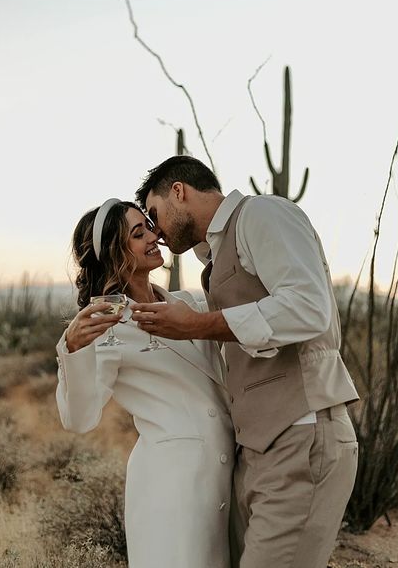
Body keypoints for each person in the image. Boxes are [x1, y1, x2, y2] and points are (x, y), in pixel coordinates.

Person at [132, 156, 360, 568]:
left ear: (179, 191)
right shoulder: (214, 262)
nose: (155, 232)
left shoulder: (262, 214)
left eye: (154, 213)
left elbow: (309, 308)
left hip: (302, 435)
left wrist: (199, 325)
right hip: (257, 452)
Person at [55, 198, 234, 568]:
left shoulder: (189, 304)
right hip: (171, 489)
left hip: (228, 476)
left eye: (150, 227)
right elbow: (79, 418)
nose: (154, 236)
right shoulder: (107, 331)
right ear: (115, 253)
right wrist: (73, 349)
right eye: (139, 234)